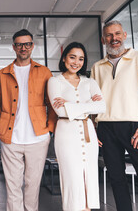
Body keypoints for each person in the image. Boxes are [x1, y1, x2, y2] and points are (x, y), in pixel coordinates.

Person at [91, 20, 138, 211]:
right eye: (109, 35)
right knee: (116, 181)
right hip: (106, 129)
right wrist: (93, 129)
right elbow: (92, 103)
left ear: (124, 35)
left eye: (117, 34)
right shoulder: (97, 67)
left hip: (136, 127)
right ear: (103, 39)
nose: (114, 38)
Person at [0, 29, 57, 211]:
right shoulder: (2, 74)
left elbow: (52, 104)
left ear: (32, 46)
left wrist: (50, 130)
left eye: (27, 44)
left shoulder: (44, 72)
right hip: (9, 138)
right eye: (19, 44)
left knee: (32, 185)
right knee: (12, 186)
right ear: (13, 47)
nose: (24, 48)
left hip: (38, 138)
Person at [47, 42, 106, 211]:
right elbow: (60, 111)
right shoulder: (54, 81)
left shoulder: (90, 82)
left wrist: (70, 105)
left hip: (89, 138)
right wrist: (88, 106)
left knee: (90, 177)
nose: (76, 62)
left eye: (81, 59)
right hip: (66, 135)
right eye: (72, 57)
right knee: (72, 179)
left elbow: (101, 107)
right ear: (64, 58)